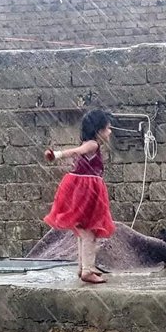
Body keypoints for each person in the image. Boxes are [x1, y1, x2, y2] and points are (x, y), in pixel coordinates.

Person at [43, 109, 116, 284]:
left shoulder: (89, 143)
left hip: (79, 189)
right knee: (90, 232)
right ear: (98, 130)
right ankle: (87, 270)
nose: (110, 131)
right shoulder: (92, 145)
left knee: (82, 231)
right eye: (107, 128)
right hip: (88, 191)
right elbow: (78, 150)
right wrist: (58, 155)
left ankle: (82, 267)